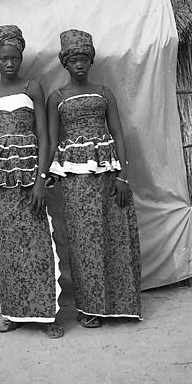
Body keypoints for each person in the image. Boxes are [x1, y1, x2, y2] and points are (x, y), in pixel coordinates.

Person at [0, 24, 64, 339]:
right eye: (3, 59)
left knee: (37, 245)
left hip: (29, 178)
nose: (10, 63)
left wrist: (41, 179)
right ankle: (12, 313)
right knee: (6, 248)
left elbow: (43, 135)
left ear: (21, 57)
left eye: (14, 58)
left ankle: (47, 316)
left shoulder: (32, 87)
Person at [47, 29, 142, 328]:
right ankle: (90, 309)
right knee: (84, 241)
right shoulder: (57, 97)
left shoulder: (103, 92)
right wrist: (45, 174)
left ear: (91, 61)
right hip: (75, 181)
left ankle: (119, 305)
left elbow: (118, 133)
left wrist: (123, 177)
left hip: (109, 175)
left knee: (115, 236)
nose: (80, 65)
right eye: (74, 60)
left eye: (84, 59)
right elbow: (51, 140)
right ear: (65, 63)